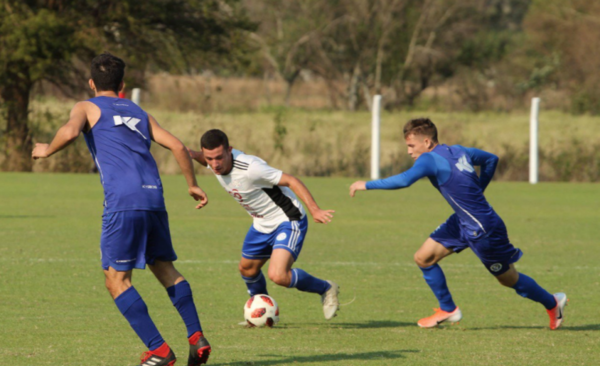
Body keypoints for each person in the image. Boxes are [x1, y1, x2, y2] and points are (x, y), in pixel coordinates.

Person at [32, 53, 212, 366]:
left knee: (116, 279)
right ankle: (196, 337)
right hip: (154, 198)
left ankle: (158, 350)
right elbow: (179, 147)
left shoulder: (86, 107)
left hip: (123, 202)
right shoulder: (140, 112)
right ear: (123, 86)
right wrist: (192, 184)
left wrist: (46, 150)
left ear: (91, 83)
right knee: (164, 268)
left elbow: (72, 131)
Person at [349, 118, 567, 329]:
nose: (409, 151)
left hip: (483, 229)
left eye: (411, 145)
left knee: (508, 279)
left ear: (426, 142)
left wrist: (366, 184)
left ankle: (552, 303)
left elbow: (405, 180)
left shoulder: (429, 158)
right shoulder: (460, 150)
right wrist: (479, 189)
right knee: (423, 258)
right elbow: (491, 159)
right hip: (462, 221)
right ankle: (448, 310)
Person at [188, 129, 340, 322]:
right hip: (261, 223)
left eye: (219, 157)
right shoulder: (214, 161)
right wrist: (184, 151)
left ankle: (326, 289)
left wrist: (315, 209)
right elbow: (200, 157)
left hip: (287, 219)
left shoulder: (251, 168)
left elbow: (291, 180)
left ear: (229, 150)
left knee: (279, 275)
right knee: (247, 270)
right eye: (210, 159)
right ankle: (259, 313)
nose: (214, 164)